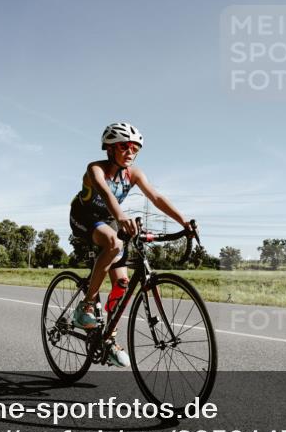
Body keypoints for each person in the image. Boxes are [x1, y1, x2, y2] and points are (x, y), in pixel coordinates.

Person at [69, 122, 193, 367]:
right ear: (109, 148)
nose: (130, 152)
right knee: (113, 243)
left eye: (135, 148)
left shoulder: (134, 174)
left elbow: (156, 197)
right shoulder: (95, 168)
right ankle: (86, 307)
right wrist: (121, 217)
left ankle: (109, 339)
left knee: (122, 284)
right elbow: (105, 192)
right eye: (124, 146)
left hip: (109, 220)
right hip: (84, 217)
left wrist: (184, 221)